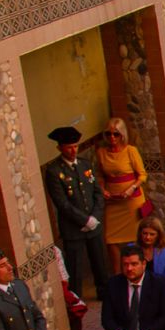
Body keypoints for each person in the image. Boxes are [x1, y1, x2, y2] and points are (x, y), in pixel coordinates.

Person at [43, 126, 108, 299]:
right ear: (60, 148)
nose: (73, 150)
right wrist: (84, 220)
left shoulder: (85, 165)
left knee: (100, 263)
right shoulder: (54, 171)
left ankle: (104, 294)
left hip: (93, 223)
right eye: (69, 147)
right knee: (75, 267)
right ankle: (77, 300)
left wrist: (95, 216)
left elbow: (97, 193)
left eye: (75, 146)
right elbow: (62, 203)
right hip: (73, 228)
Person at [97, 118, 148, 268]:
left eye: (116, 134)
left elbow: (142, 175)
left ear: (122, 135)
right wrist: (102, 189)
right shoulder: (101, 152)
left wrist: (131, 188)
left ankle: (139, 267)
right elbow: (100, 175)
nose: (112, 138)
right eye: (109, 134)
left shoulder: (130, 150)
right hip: (113, 201)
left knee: (137, 237)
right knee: (110, 239)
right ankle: (118, 272)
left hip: (131, 201)